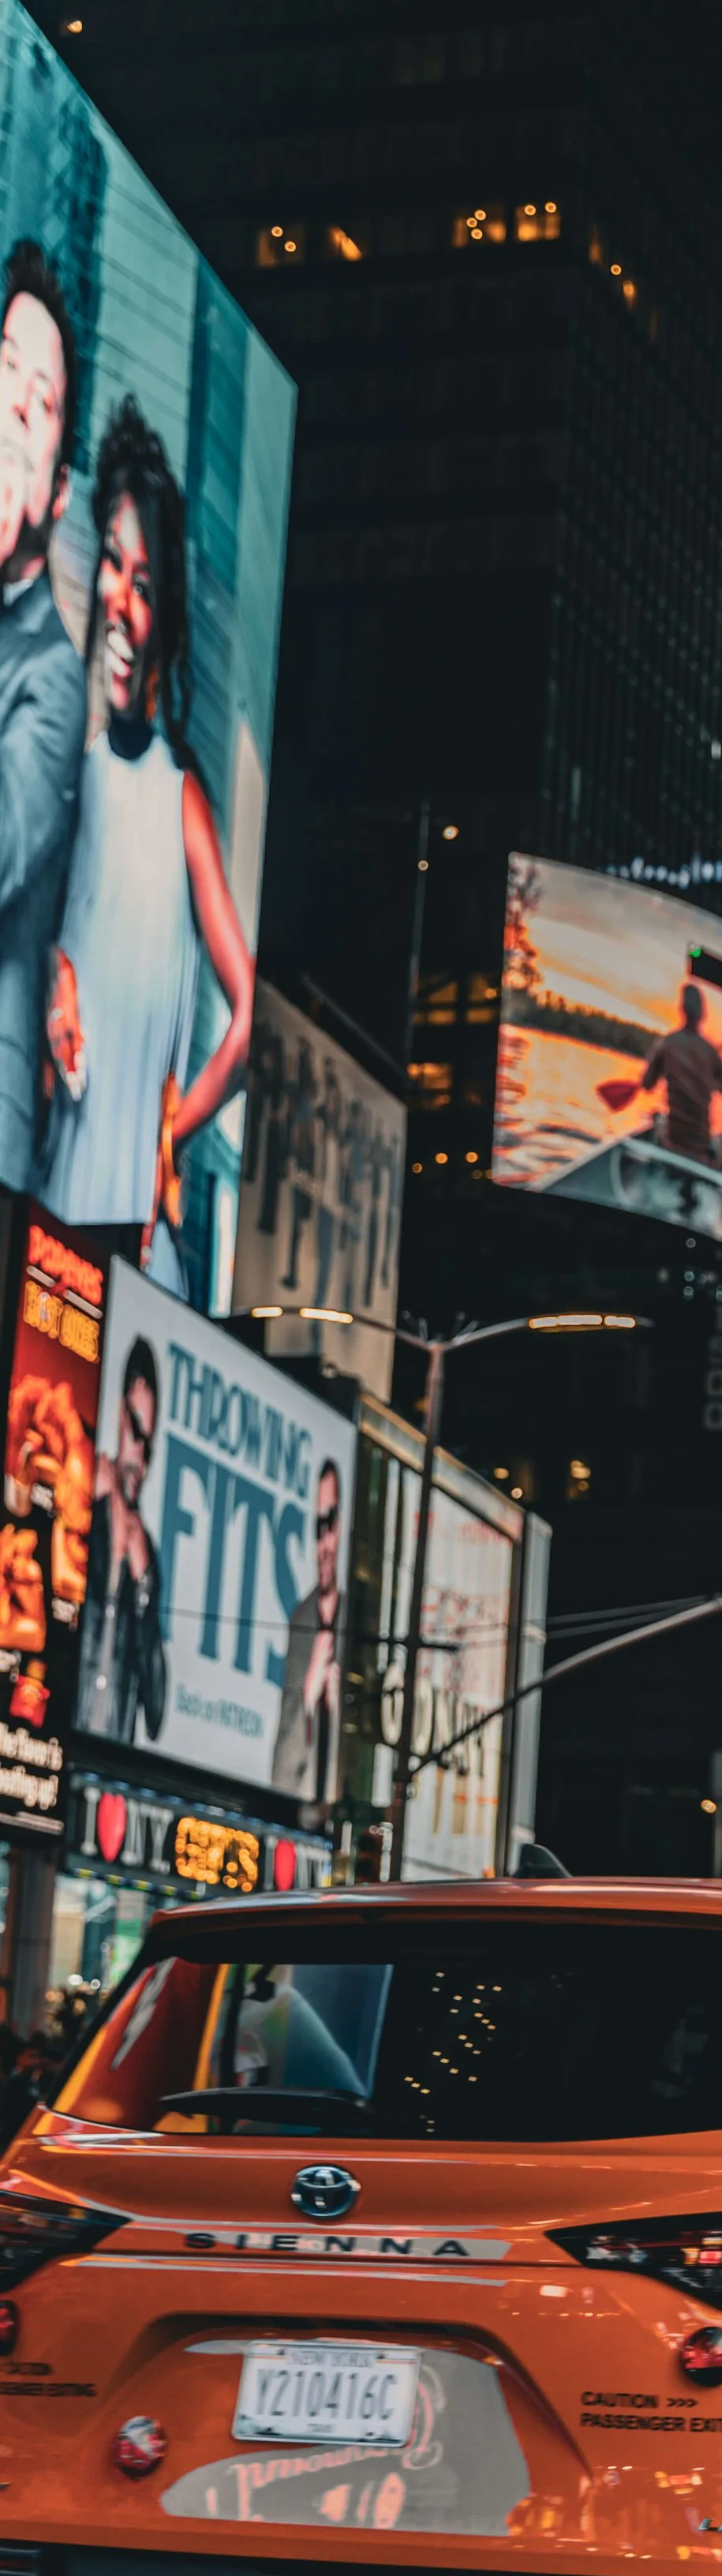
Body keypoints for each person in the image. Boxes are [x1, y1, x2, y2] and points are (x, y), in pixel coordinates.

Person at [35, 395, 253, 1297]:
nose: (123, 603)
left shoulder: (181, 799)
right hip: (44, 1206)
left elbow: (250, 1021)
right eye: (114, 568)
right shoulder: (68, 775)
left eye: (148, 582)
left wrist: (177, 1127)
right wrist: (51, 971)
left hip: (132, 1242)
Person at [0, 242, 87, 1193]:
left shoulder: (52, 679)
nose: (20, 404)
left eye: (46, 400)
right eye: (8, 373)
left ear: (61, 492)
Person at [76, 1333, 167, 1746]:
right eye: (134, 1428)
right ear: (117, 1414)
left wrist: (144, 1583)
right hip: (47, 1744)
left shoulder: (146, 1561)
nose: (139, 1459)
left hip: (106, 1775)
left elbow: (156, 1712)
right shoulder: (80, 1502)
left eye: (148, 1444)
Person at [600, 979, 722, 1166]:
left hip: (672, 1143)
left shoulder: (667, 1044)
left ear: (682, 1009)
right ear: (703, 1014)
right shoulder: (711, 1052)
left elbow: (647, 1085)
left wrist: (649, 1076)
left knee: (658, 1118)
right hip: (700, 1150)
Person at [270, 1456, 342, 1803]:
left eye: (331, 1523)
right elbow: (281, 1774)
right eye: (318, 1527)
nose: (324, 1541)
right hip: (306, 1810)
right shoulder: (303, 1621)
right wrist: (309, 1693)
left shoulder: (358, 1619)